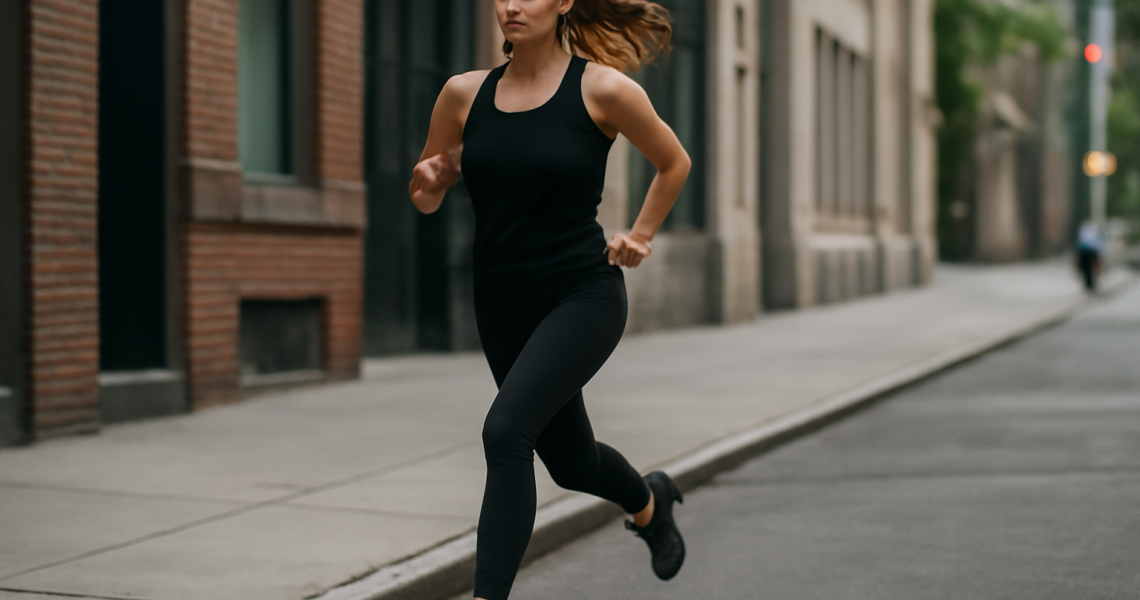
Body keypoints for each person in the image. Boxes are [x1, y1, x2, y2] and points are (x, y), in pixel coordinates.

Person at [407, 1, 692, 598]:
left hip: (582, 292)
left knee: (506, 431)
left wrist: (639, 235)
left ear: (563, 0)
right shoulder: (463, 94)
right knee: (572, 462)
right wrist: (430, 183)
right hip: (502, 298)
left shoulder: (604, 89)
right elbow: (425, 194)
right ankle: (650, 504)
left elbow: (673, 162)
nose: (510, 4)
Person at [1076, 220, 1103, 292]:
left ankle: (1091, 284)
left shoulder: (1087, 231)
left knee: (1091, 269)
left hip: (1089, 252)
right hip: (1088, 252)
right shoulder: (1087, 231)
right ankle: (1089, 285)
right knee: (1087, 270)